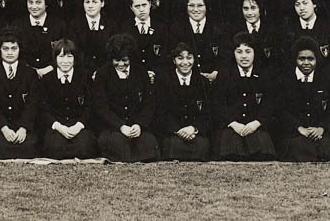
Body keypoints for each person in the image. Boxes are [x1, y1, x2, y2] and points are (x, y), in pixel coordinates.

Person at [92, 32, 160, 162]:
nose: (121, 64)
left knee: (149, 144)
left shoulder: (141, 72)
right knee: (117, 145)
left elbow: (148, 104)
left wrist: (139, 125)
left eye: (125, 60)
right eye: (116, 60)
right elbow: (101, 107)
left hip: (136, 126)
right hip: (112, 127)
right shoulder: (102, 74)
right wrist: (121, 126)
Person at [277, 36, 330, 162]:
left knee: (328, 148)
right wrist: (299, 128)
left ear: (316, 60)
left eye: (310, 59)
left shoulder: (325, 80)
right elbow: (281, 111)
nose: (306, 63)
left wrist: (321, 128)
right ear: (295, 59)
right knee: (299, 147)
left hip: (319, 133)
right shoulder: (285, 80)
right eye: (302, 59)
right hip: (294, 134)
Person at [212, 33, 276, 161]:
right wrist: (233, 124)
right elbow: (217, 103)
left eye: (248, 51)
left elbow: (270, 103)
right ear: (233, 53)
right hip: (232, 127)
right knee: (230, 153)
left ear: (255, 53)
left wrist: (256, 123)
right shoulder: (225, 74)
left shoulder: (264, 74)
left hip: (255, 127)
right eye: (239, 52)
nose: (244, 56)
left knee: (263, 154)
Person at [0, 29, 40, 158]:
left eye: (14, 48)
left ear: (20, 49)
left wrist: (23, 128)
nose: (10, 52)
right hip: (0, 127)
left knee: (29, 146)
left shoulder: (30, 73)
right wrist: (4, 128)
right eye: (5, 49)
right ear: (0, 50)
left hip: (22, 127)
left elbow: (32, 104)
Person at [40, 38, 96, 159]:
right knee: (54, 147)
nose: (65, 61)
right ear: (55, 58)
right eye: (61, 57)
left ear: (75, 58)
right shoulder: (47, 79)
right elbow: (43, 109)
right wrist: (59, 127)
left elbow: (90, 106)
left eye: (69, 57)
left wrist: (78, 126)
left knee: (84, 147)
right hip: (57, 127)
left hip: (79, 126)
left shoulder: (85, 77)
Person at [155, 42, 211, 161]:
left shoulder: (203, 82)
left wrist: (193, 128)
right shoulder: (163, 81)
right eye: (180, 58)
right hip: (173, 134)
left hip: (195, 134)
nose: (185, 62)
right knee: (172, 146)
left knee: (202, 146)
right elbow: (161, 112)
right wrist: (177, 130)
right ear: (174, 61)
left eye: (189, 58)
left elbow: (208, 113)